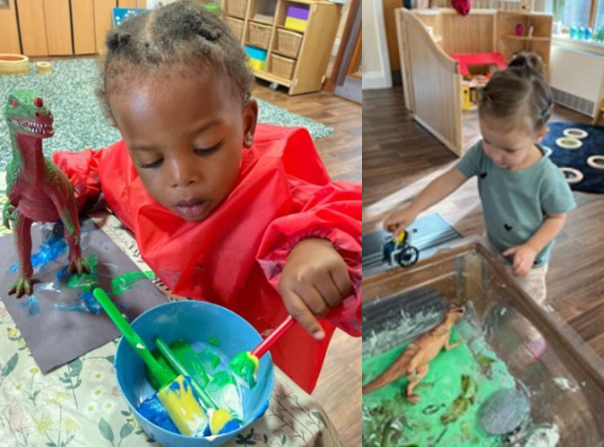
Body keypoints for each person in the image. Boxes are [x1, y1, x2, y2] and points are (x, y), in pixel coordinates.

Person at [52, 0, 362, 393]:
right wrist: (62, 186)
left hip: (244, 374)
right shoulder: (130, 166)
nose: (182, 178)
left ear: (247, 124)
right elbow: (93, 166)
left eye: (207, 147)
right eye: (151, 159)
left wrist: (320, 247)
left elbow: (348, 226)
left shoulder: (278, 187)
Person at [384, 52, 575, 303]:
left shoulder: (547, 176)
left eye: (508, 149)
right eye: (487, 140)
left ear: (539, 135)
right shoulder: (482, 155)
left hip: (530, 261)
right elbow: (450, 178)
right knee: (490, 292)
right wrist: (413, 209)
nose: (495, 156)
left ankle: (531, 341)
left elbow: (558, 217)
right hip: (493, 244)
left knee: (525, 309)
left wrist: (531, 248)